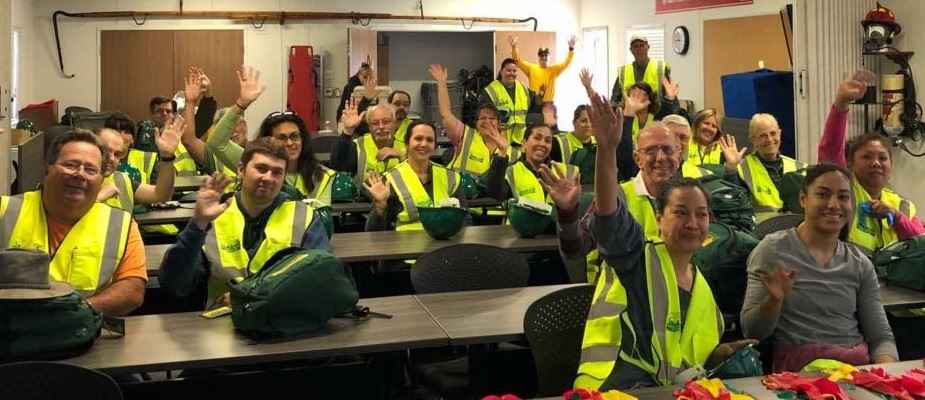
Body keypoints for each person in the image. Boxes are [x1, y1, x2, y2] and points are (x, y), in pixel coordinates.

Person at [556, 94, 752, 389]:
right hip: (620, 354)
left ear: (680, 154)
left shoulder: (697, 275)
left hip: (669, 378)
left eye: (668, 149)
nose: (692, 223)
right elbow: (580, 246)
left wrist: (717, 355)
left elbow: (684, 345)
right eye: (651, 150)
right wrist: (605, 152)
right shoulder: (624, 213)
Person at [740, 163, 898, 371]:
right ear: (803, 199)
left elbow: (881, 336)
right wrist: (773, 300)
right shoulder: (772, 250)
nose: (833, 205)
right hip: (800, 375)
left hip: (855, 371)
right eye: (823, 195)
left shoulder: (860, 263)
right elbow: (752, 331)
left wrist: (887, 373)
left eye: (843, 197)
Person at [159, 138, 331, 309]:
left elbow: (321, 282)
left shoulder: (304, 217)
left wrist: (246, 297)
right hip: (219, 321)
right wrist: (198, 224)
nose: (268, 178)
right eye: (261, 169)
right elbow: (175, 285)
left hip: (282, 319)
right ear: (241, 169)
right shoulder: (214, 215)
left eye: (277, 172)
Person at [0, 130, 146, 317]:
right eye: (71, 165)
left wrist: (74, 313)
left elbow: (133, 290)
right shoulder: (5, 210)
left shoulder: (121, 225)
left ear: (101, 179)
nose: (80, 174)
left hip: (81, 329)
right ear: (47, 169)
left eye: (91, 170)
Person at [818, 70, 924, 253]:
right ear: (850, 162)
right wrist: (841, 103)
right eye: (866, 157)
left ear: (891, 164)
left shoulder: (902, 205)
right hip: (849, 268)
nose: (876, 163)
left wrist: (896, 217)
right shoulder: (844, 191)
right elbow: (831, 150)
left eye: (882, 158)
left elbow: (921, 246)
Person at [208, 66, 336, 203]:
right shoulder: (255, 164)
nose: (290, 143)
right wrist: (241, 105)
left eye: (294, 136)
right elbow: (216, 143)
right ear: (267, 142)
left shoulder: (322, 176)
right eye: (281, 138)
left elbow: (321, 214)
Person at [364, 120, 468, 231]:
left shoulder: (451, 177)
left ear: (434, 147)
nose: (424, 144)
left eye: (429, 140)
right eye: (418, 139)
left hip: (445, 240)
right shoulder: (390, 180)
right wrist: (380, 208)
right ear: (407, 143)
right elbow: (373, 232)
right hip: (405, 241)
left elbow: (465, 220)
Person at [429, 63, 514, 180]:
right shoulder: (465, 135)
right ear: (476, 124)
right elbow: (445, 114)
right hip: (461, 190)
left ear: (499, 124)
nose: (487, 121)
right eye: (482, 118)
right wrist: (441, 82)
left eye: (492, 118)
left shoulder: (511, 150)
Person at [95, 117, 183, 210]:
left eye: (117, 154)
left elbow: (161, 195)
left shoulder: (121, 179)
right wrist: (99, 198)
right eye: (105, 151)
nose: (112, 158)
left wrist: (167, 157)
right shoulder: (83, 179)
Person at [737, 113, 806, 213]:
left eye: (773, 133)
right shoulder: (742, 168)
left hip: (796, 222)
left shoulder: (800, 167)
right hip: (763, 223)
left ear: (780, 134)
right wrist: (730, 169)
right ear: (753, 140)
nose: (769, 139)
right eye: (763, 136)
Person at [331, 100, 407, 186]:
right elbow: (338, 167)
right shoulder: (357, 145)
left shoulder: (406, 146)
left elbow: (417, 177)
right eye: (375, 123)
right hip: (365, 194)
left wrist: (402, 156)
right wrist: (348, 131)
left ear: (395, 124)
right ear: (369, 127)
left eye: (386, 122)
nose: (381, 127)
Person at [479, 58, 544, 145]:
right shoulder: (491, 91)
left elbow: (536, 105)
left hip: (520, 142)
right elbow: (483, 117)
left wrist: (541, 97)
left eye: (514, 71)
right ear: (501, 71)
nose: (511, 73)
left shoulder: (523, 88)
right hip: (500, 142)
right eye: (508, 70)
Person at [508, 34, 576, 104]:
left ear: (549, 57)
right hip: (534, 104)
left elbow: (566, 63)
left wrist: (571, 49)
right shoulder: (531, 68)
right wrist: (514, 47)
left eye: (546, 55)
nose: (544, 57)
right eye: (541, 55)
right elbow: (518, 61)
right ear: (538, 57)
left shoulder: (554, 69)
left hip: (548, 105)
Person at [610, 35, 670, 106]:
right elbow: (614, 100)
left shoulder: (660, 68)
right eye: (636, 46)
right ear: (631, 50)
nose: (639, 49)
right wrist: (618, 108)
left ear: (648, 47)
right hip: (630, 113)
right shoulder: (623, 71)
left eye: (642, 45)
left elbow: (669, 96)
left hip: (655, 112)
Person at [148, 96, 199, 176]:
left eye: (168, 111)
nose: (164, 114)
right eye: (159, 111)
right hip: (164, 181)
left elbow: (204, 118)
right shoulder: (147, 138)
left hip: (190, 181)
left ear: (174, 114)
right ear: (152, 114)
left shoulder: (184, 133)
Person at [104, 112, 158, 184]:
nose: (122, 135)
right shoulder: (97, 157)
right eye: (117, 131)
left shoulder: (148, 158)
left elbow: (159, 188)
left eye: (126, 132)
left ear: (132, 139)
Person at [661, 114, 713, 179]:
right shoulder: (649, 173)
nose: (677, 143)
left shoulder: (704, 175)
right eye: (671, 136)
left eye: (683, 138)